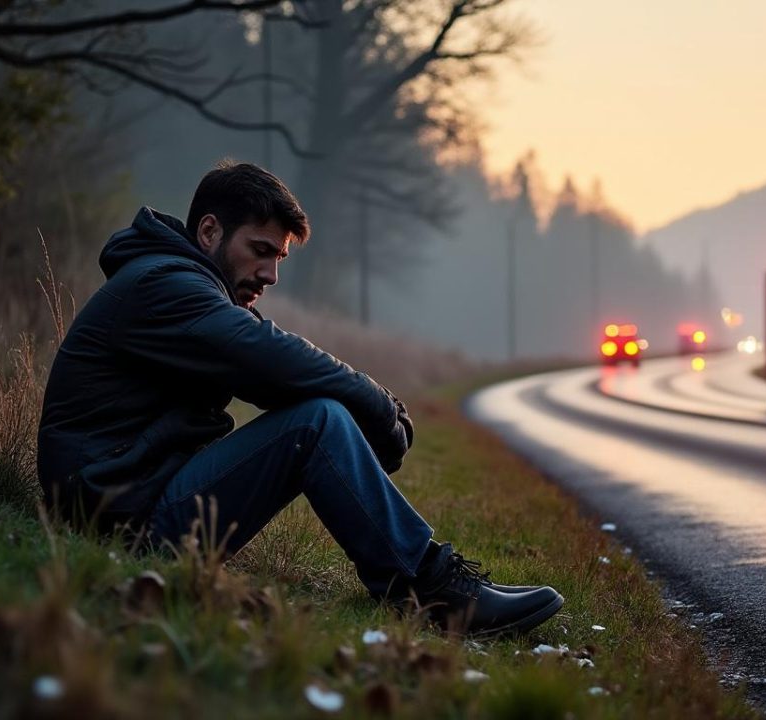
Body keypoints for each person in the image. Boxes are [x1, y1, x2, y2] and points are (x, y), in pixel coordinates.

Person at [37, 160, 563, 636]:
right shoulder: (164, 286)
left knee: (317, 415)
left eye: (279, 258)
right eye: (260, 252)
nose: (270, 275)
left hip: (132, 502)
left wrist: (361, 411)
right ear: (209, 231)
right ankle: (432, 591)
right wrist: (376, 405)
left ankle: (429, 579)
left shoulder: (180, 283)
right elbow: (268, 355)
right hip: (121, 523)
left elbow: (271, 374)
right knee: (318, 422)